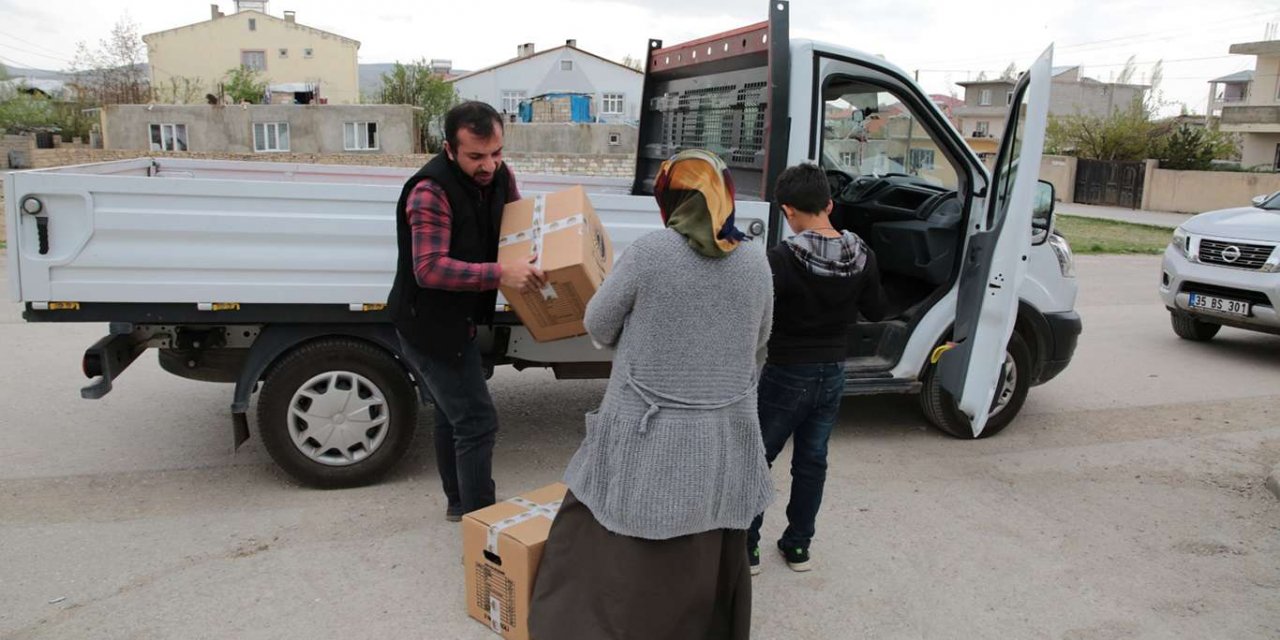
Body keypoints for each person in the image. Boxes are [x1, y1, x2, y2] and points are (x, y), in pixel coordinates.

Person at [529, 150, 774, 639]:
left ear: (672, 198)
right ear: (725, 196)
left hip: (647, 432)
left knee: (615, 532)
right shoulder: (755, 262)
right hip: (723, 439)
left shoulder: (651, 253)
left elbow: (598, 323)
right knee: (708, 538)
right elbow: (761, 341)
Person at [386, 101, 547, 520]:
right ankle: (484, 527)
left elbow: (516, 225)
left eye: (496, 153)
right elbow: (429, 268)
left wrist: (535, 253)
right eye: (477, 156)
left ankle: (460, 506)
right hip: (428, 325)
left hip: (461, 320)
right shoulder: (429, 192)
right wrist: (501, 273)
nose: (490, 165)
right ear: (449, 149)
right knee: (476, 421)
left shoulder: (500, 175)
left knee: (451, 413)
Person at [747, 162, 888, 574]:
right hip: (833, 372)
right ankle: (798, 547)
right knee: (812, 461)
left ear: (788, 211)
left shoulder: (781, 259)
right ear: (828, 203)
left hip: (787, 372)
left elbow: (759, 316)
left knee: (759, 458)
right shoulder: (862, 254)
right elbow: (877, 309)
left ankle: (746, 547)